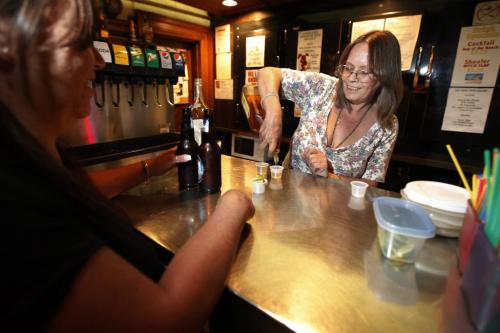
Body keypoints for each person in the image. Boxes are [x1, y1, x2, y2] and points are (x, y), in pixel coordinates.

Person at [0, 1, 254, 332]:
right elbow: (168, 316)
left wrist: (150, 167)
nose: (99, 60)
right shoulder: (11, 200)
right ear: (7, 44)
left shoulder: (31, 157)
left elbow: (80, 190)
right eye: (80, 44)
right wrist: (232, 208)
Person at [258, 30, 403, 187]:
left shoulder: (387, 125)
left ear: (385, 77)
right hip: (288, 196)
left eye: (364, 72)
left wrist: (329, 175)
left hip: (335, 208)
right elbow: (267, 73)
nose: (351, 78)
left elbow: (370, 185)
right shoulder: (321, 87)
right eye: (348, 68)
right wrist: (274, 111)